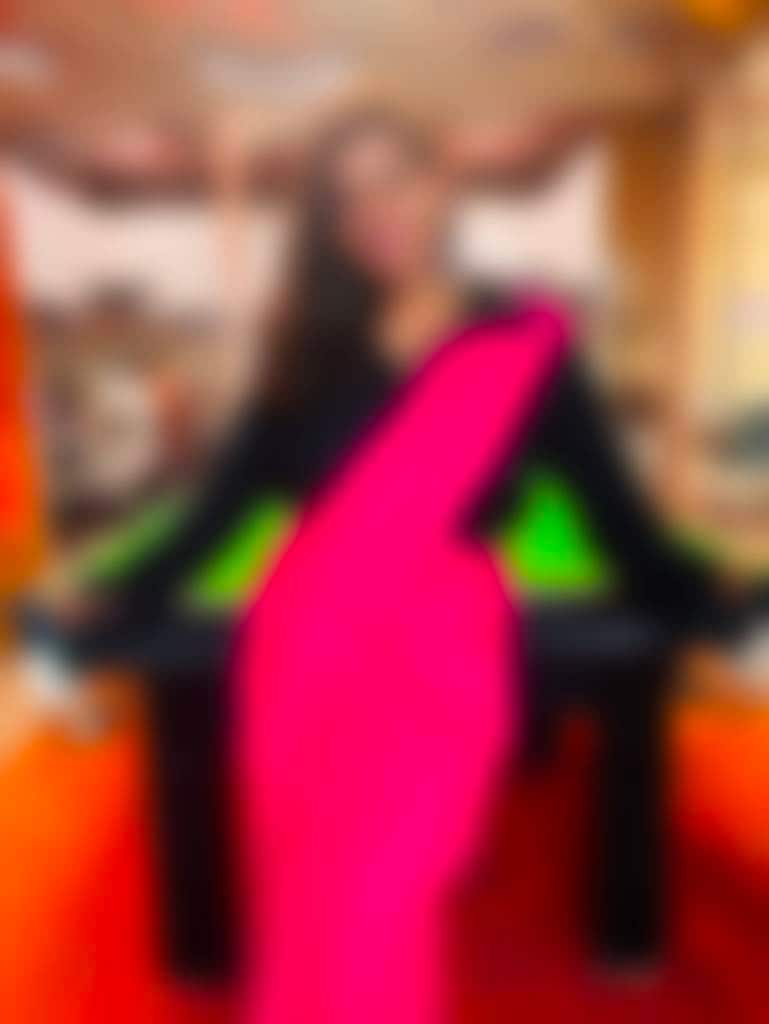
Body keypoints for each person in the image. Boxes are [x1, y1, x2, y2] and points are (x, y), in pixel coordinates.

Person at [66, 108, 735, 981]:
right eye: (343, 200)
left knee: (382, 893)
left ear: (440, 183)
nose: (373, 211)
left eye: (393, 179)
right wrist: (123, 590)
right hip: (305, 649)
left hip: (442, 656)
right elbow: (223, 504)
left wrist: (698, 589)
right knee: (310, 911)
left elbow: (611, 507)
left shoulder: (524, 338)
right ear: (327, 226)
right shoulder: (306, 350)